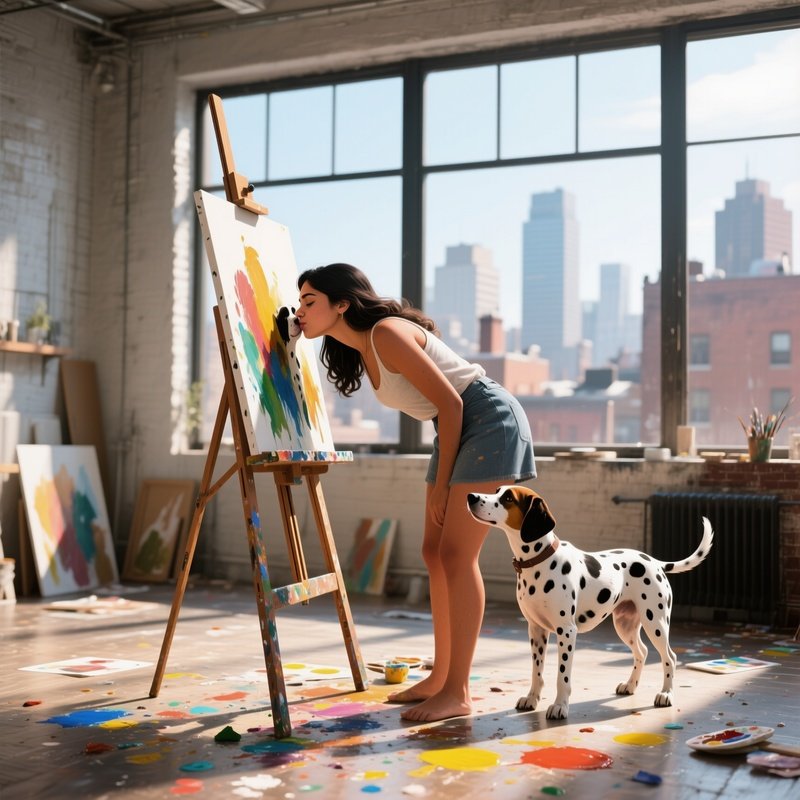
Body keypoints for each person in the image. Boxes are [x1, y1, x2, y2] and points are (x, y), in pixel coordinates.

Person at [296, 263, 536, 722]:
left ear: (341, 304)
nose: (301, 311)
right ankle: (440, 677)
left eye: (310, 302)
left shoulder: (385, 333)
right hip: (455, 430)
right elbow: (442, 412)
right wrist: (441, 482)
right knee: (433, 550)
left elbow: (452, 401)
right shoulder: (363, 348)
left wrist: (443, 485)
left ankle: (458, 691)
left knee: (455, 556)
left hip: (486, 420)